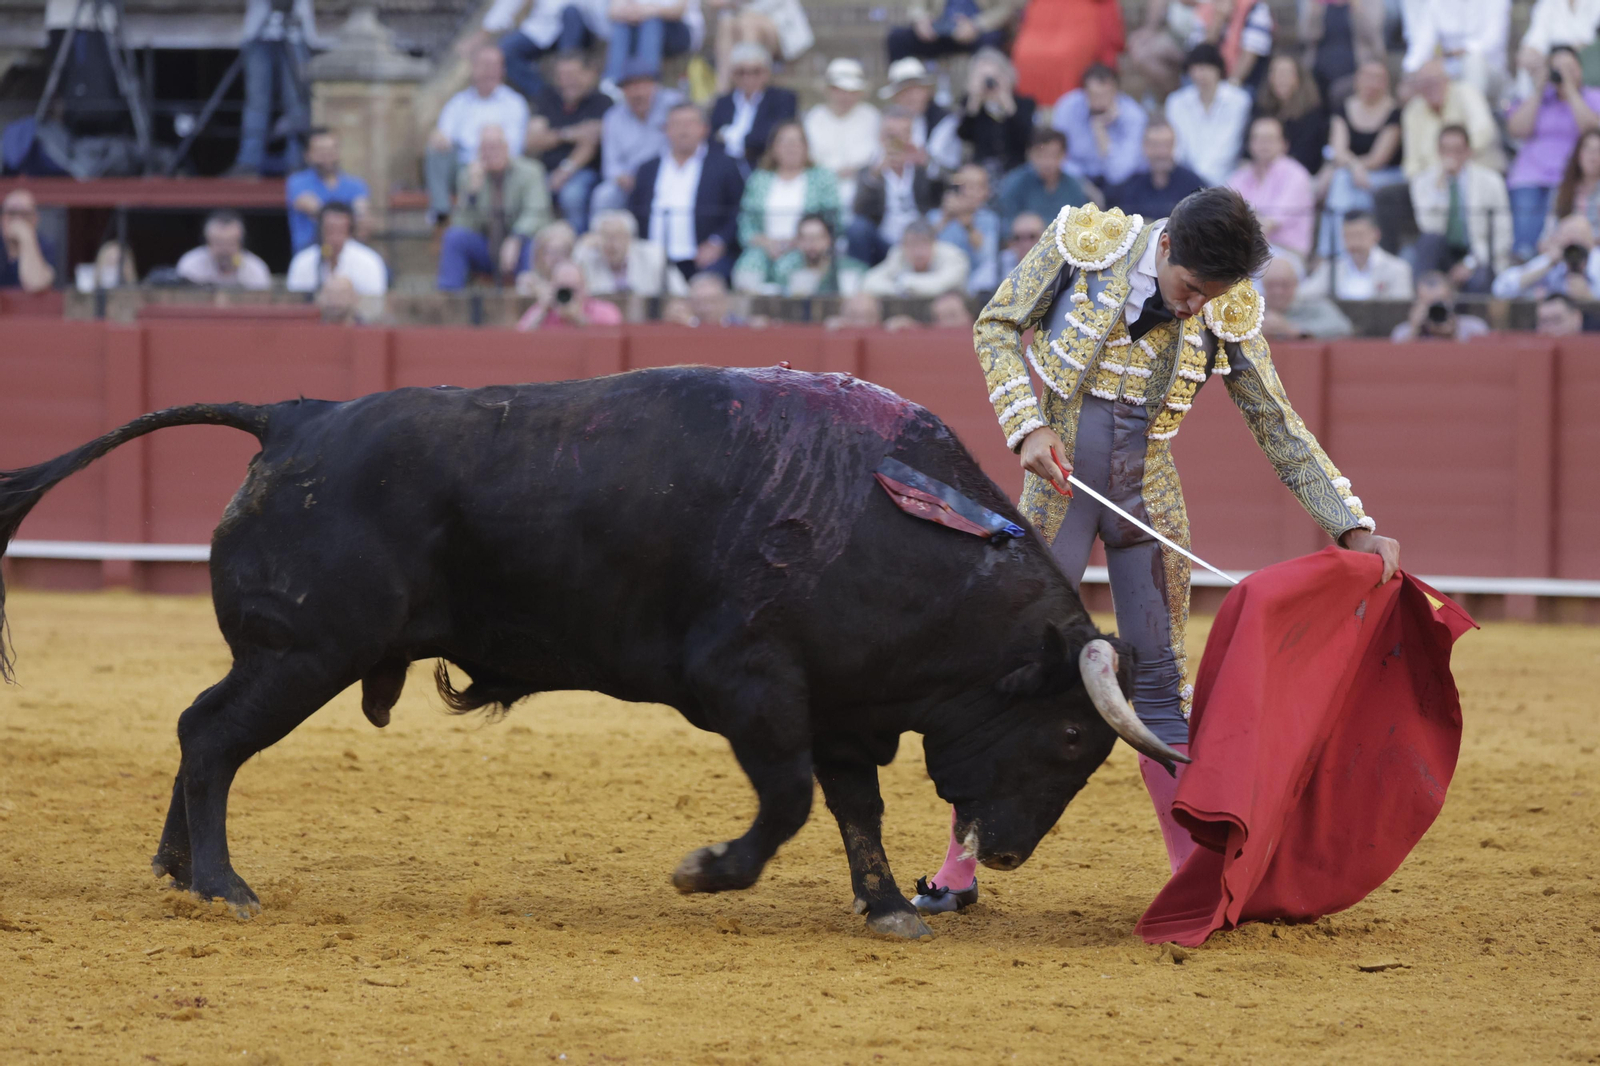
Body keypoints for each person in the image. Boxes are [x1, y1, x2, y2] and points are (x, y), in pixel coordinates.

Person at [911, 188, 1397, 914]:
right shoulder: (1085, 240)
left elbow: (1278, 423)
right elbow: (996, 324)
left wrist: (1351, 525)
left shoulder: (1226, 307)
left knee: (1164, 689)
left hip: (1149, 499)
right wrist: (1027, 426)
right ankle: (957, 872)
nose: (1198, 307)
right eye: (1190, 290)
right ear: (1165, 247)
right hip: (1057, 486)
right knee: (1010, 677)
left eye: (1214, 295)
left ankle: (1191, 882)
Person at [628, 103, 746, 281]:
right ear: (666, 129)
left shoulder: (724, 166)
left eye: (690, 123)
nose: (683, 130)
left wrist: (718, 242)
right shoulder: (648, 168)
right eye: (676, 124)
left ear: (704, 129)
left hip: (703, 259)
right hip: (653, 259)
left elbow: (739, 209)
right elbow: (634, 209)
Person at [1504, 46, 1600, 261]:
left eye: (1570, 68)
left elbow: (1592, 130)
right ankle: (1524, 265)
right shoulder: (1540, 99)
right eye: (1557, 68)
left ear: (1580, 70)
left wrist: (1571, 90)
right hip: (1531, 175)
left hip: (1570, 177)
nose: (1563, 72)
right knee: (1526, 237)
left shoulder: (1592, 96)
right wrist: (1538, 90)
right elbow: (1517, 129)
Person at [730, 121, 840, 293]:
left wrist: (800, 241)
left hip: (806, 249)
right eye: (784, 142)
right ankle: (752, 319)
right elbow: (746, 222)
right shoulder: (760, 179)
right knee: (748, 270)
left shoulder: (822, 178)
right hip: (764, 247)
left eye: (796, 142)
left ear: (806, 147)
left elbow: (834, 220)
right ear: (773, 147)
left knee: (791, 271)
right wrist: (765, 242)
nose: (791, 147)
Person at [437, 125, 552, 291]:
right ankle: (449, 301)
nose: (491, 152)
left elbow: (537, 212)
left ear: (507, 147)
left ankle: (529, 299)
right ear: (478, 152)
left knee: (534, 243)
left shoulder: (531, 171)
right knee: (454, 237)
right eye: (486, 148)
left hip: (520, 246)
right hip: (486, 246)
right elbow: (461, 224)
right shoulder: (468, 176)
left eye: (496, 146)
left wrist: (516, 238)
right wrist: (472, 194)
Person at [426, 46, 532, 224]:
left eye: (494, 65)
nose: (488, 71)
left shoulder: (515, 103)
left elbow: (514, 147)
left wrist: (484, 162)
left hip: (497, 165)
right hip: (462, 165)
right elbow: (444, 136)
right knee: (435, 152)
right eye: (484, 65)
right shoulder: (458, 102)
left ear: (502, 70)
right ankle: (441, 211)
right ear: (473, 68)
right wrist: (439, 138)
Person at [1316, 59, 1403, 256]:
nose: (1371, 83)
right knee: (1341, 180)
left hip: (1387, 174)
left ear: (1386, 83)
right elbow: (1339, 150)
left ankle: (1363, 251)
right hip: (1353, 172)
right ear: (1357, 80)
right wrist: (1355, 167)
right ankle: (1332, 253)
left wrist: (1355, 168)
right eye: (1367, 77)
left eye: (1377, 78)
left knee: (1351, 183)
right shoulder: (1343, 107)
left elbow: (1379, 157)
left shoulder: (1394, 112)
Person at [1410, 124, 1512, 291]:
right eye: (1446, 149)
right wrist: (1440, 186)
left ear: (1468, 151)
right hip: (1442, 253)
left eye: (1457, 150)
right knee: (1428, 242)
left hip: (1478, 255)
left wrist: (1470, 264)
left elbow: (1502, 230)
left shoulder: (1491, 181)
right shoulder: (1422, 182)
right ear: (1438, 151)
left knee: (1480, 280)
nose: (1451, 155)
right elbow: (1429, 228)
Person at [228, 0, 321, 177]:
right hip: (258, 31)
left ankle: (297, 162)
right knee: (256, 102)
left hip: (297, 32)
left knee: (297, 102)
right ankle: (248, 163)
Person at [522, 52, 610, 234]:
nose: (567, 81)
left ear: (589, 74)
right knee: (526, 190)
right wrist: (569, 133)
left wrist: (565, 170)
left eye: (573, 75)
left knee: (572, 195)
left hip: (584, 171)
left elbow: (590, 142)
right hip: (546, 171)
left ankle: (577, 244)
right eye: (562, 76)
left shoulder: (601, 101)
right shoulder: (548, 97)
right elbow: (532, 140)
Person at [847, 108, 942, 266]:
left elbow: (944, 193)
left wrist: (927, 163)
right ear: (881, 137)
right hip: (883, 242)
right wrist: (874, 176)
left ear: (911, 136)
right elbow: (859, 211)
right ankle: (859, 281)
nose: (897, 141)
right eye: (891, 134)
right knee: (857, 228)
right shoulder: (869, 171)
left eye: (903, 134)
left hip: (922, 240)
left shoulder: (922, 167)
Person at [590, 62, 683, 216]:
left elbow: (686, 143)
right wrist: (622, 177)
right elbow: (611, 164)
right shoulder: (613, 117)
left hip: (669, 173)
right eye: (630, 86)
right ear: (622, 90)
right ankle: (600, 239)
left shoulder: (673, 104)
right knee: (604, 195)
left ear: (655, 85)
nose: (637, 93)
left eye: (643, 84)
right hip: (630, 181)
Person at [475, 0, 610, 101]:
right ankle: (547, 97)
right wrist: (487, 29)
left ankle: (570, 74)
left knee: (570, 12)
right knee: (504, 52)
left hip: (578, 25)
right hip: (542, 27)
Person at [1228, 116, 1316, 268]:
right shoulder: (1239, 177)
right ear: (1250, 144)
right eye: (1258, 139)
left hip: (1286, 254)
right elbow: (1225, 218)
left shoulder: (1296, 175)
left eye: (1269, 139)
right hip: (1245, 252)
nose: (1263, 144)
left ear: (1284, 144)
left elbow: (1269, 224)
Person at [1165, 44, 1253, 187]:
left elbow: (1232, 143)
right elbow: (1177, 147)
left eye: (1206, 67)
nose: (1201, 74)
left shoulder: (1239, 101)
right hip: (1186, 183)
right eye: (1196, 68)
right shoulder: (1176, 102)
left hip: (1229, 181)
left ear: (1218, 69)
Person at [1011, 0, 1127, 107]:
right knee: (1024, 53)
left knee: (1064, 56)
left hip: (1082, 14)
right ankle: (1028, 109)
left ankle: (1066, 109)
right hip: (1046, 13)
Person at [1400, 60, 1504, 179]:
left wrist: (1455, 157)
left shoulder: (1466, 92)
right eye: (1424, 84)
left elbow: (1484, 133)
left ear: (1447, 79)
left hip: (1477, 170)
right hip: (1433, 181)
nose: (1430, 88)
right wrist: (1421, 180)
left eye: (1434, 82)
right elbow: (1411, 160)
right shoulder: (1412, 110)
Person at [1052, 64, 1147, 191]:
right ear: (1084, 92)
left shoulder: (1134, 116)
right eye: (1094, 95)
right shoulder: (1068, 107)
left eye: (1106, 94)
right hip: (1076, 181)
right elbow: (1058, 157)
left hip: (1119, 185)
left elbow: (1118, 174)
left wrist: (1100, 129)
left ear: (1117, 91)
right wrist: (1083, 184)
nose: (1100, 101)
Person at [709, 43, 799, 176]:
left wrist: (731, 136)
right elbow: (712, 139)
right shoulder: (723, 103)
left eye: (755, 72)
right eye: (741, 72)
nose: (748, 78)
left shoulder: (782, 99)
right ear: (733, 75)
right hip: (725, 170)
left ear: (767, 73)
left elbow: (772, 137)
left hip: (764, 167)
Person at [803, 59, 881, 209]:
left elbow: (876, 155)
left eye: (852, 91)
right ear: (828, 90)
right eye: (838, 89)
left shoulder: (872, 116)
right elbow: (809, 158)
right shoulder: (814, 117)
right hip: (821, 190)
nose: (845, 96)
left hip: (863, 191)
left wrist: (857, 171)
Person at [955, 48, 1037, 182]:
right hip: (981, 170)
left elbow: (1027, 137)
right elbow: (964, 135)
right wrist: (974, 100)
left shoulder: (1024, 103)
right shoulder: (971, 104)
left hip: (1016, 169)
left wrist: (1006, 101)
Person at [285, 129, 371, 255]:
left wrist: (361, 220)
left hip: (348, 252)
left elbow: (362, 218)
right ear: (308, 155)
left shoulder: (356, 185)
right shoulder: (297, 183)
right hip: (311, 252)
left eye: (331, 149)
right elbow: (321, 214)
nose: (327, 155)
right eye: (320, 150)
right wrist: (350, 217)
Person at [1399, 0, 1509, 98]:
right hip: (1450, 72)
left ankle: (1472, 117)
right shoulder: (1436, 3)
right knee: (1425, 74)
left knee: (1473, 61)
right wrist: (1410, 73)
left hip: (1491, 71)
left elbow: (1492, 42)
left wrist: (1457, 53)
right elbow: (1422, 45)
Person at [703, 0, 812, 95]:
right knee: (726, 23)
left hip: (780, 24)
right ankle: (723, 89)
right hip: (741, 19)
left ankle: (753, 87)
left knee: (748, 23)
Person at [878, 58, 963, 177]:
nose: (910, 97)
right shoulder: (887, 122)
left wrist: (923, 160)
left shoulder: (945, 121)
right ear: (895, 97)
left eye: (914, 90)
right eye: (903, 92)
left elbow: (949, 171)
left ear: (927, 91)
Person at [575, 208, 689, 296]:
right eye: (606, 236)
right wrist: (582, 248)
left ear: (630, 239)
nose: (611, 244)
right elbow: (571, 278)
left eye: (617, 236)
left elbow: (680, 292)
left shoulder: (654, 256)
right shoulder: (588, 259)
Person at [1303, 210, 1415, 299]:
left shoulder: (1397, 269)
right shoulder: (1332, 268)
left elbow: (1401, 307)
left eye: (1359, 235)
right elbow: (1305, 295)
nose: (1354, 242)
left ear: (1376, 234)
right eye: (1348, 236)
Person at [286, 201, 388, 297]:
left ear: (350, 230)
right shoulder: (303, 261)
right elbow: (296, 302)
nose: (335, 237)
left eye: (340, 230)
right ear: (320, 229)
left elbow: (374, 305)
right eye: (330, 229)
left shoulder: (369, 262)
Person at [996, 128, 1092, 229]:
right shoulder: (1014, 182)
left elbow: (1083, 223)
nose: (1047, 162)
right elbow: (1005, 223)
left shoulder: (1074, 185)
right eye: (1041, 155)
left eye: (1053, 155)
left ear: (1064, 155)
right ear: (1029, 154)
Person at [1109, 122, 1205, 222]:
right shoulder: (1129, 188)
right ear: (1144, 147)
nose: (1161, 153)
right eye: (1155, 145)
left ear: (1175, 146)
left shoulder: (1194, 186)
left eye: (1166, 145)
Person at [928, 162, 1001, 293]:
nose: (968, 192)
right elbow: (921, 248)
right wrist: (945, 218)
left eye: (975, 187)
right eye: (963, 186)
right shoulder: (935, 216)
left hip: (973, 288)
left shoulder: (989, 219)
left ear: (986, 192)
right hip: (937, 283)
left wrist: (966, 222)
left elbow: (986, 257)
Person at [1490, 212, 1600, 298]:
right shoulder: (1553, 260)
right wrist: (1547, 266)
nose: (1574, 253)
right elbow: (1500, 288)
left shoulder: (1597, 262)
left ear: (1592, 242)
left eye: (1578, 243)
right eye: (1569, 245)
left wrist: (1589, 298)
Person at [1254, 55, 1328, 177]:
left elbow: (1307, 157)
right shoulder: (1261, 109)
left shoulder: (1312, 114)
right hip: (1262, 174)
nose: (1281, 78)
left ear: (1298, 78)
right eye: (1276, 73)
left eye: (1286, 73)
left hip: (1299, 176)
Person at [603, 0, 703, 88]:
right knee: (621, 25)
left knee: (651, 22)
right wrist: (632, 13)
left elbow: (678, 11)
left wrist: (651, 11)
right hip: (638, 27)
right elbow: (612, 12)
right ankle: (613, 82)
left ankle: (647, 79)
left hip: (678, 32)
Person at [1299, 0, 1384, 102]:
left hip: (1354, 69)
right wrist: (1315, 14)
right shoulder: (1317, 3)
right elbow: (1306, 35)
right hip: (1319, 70)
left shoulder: (1368, 2)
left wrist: (1357, 10)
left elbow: (1372, 34)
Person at [861, 218, 970, 296]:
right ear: (903, 245)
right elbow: (869, 282)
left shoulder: (954, 256)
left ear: (934, 243)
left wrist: (906, 283)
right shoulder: (898, 254)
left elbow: (940, 285)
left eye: (923, 243)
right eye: (912, 244)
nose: (918, 251)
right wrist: (898, 289)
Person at [885, 0, 1019, 62]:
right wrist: (921, 20)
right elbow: (917, 5)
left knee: (993, 42)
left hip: (978, 32)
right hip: (938, 29)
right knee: (897, 38)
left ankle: (983, 103)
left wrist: (976, 25)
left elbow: (1005, 9)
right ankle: (903, 92)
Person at [1260, 255, 1354, 338]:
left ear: (1295, 284)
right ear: (1263, 285)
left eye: (1284, 285)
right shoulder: (1253, 308)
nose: (1278, 291)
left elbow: (1342, 326)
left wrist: (1295, 330)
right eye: (1271, 285)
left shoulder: (1313, 304)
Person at [175, 211, 271, 289]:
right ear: (207, 242)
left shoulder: (255, 269)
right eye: (218, 243)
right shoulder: (191, 265)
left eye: (231, 243)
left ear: (241, 244)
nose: (224, 250)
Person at [517, 258, 624, 327]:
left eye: (573, 289)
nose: (567, 294)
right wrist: (542, 311)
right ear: (553, 287)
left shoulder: (604, 311)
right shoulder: (545, 309)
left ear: (584, 288)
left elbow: (610, 342)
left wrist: (579, 319)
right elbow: (519, 340)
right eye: (562, 288)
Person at [1390, 269, 1491, 339]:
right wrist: (1413, 332)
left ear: (1452, 300)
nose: (1435, 309)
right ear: (1417, 303)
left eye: (1439, 303)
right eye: (1428, 304)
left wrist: (1454, 335)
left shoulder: (1475, 328)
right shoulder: (1402, 332)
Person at [1, 190, 57, 292]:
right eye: (11, 213)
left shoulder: (46, 245)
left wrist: (26, 237)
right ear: (2, 218)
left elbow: (36, 284)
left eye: (24, 214)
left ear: (35, 219)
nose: (17, 219)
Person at [1551, 129, 1600, 234]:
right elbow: (1550, 231)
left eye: (1598, 150)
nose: (1593, 157)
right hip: (1566, 246)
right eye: (1588, 149)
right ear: (1579, 154)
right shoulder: (1564, 189)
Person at [997, 211, 1045, 275]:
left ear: (1044, 239)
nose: (1024, 244)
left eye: (1032, 237)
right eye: (1017, 238)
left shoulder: (1056, 263)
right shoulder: (999, 265)